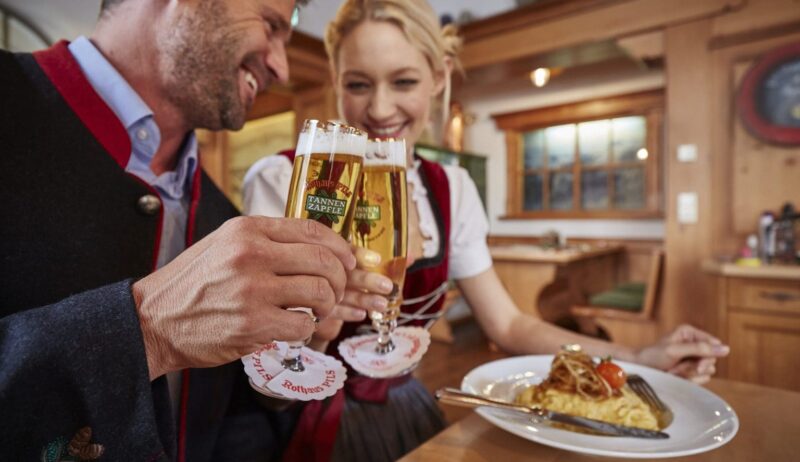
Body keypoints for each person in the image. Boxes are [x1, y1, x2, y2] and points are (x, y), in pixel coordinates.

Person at [243, 1, 731, 460]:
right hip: (305, 419)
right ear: (335, 81)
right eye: (358, 85)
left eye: (404, 81)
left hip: (408, 407)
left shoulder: (450, 188)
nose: (380, 108)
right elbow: (264, 386)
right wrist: (317, 335)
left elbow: (509, 325)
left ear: (438, 79)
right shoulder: (286, 180)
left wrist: (638, 357)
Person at [0, 0, 392, 460]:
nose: (281, 68)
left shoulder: (222, 212)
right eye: (270, 25)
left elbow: (230, 420)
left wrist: (309, 337)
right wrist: (149, 330)